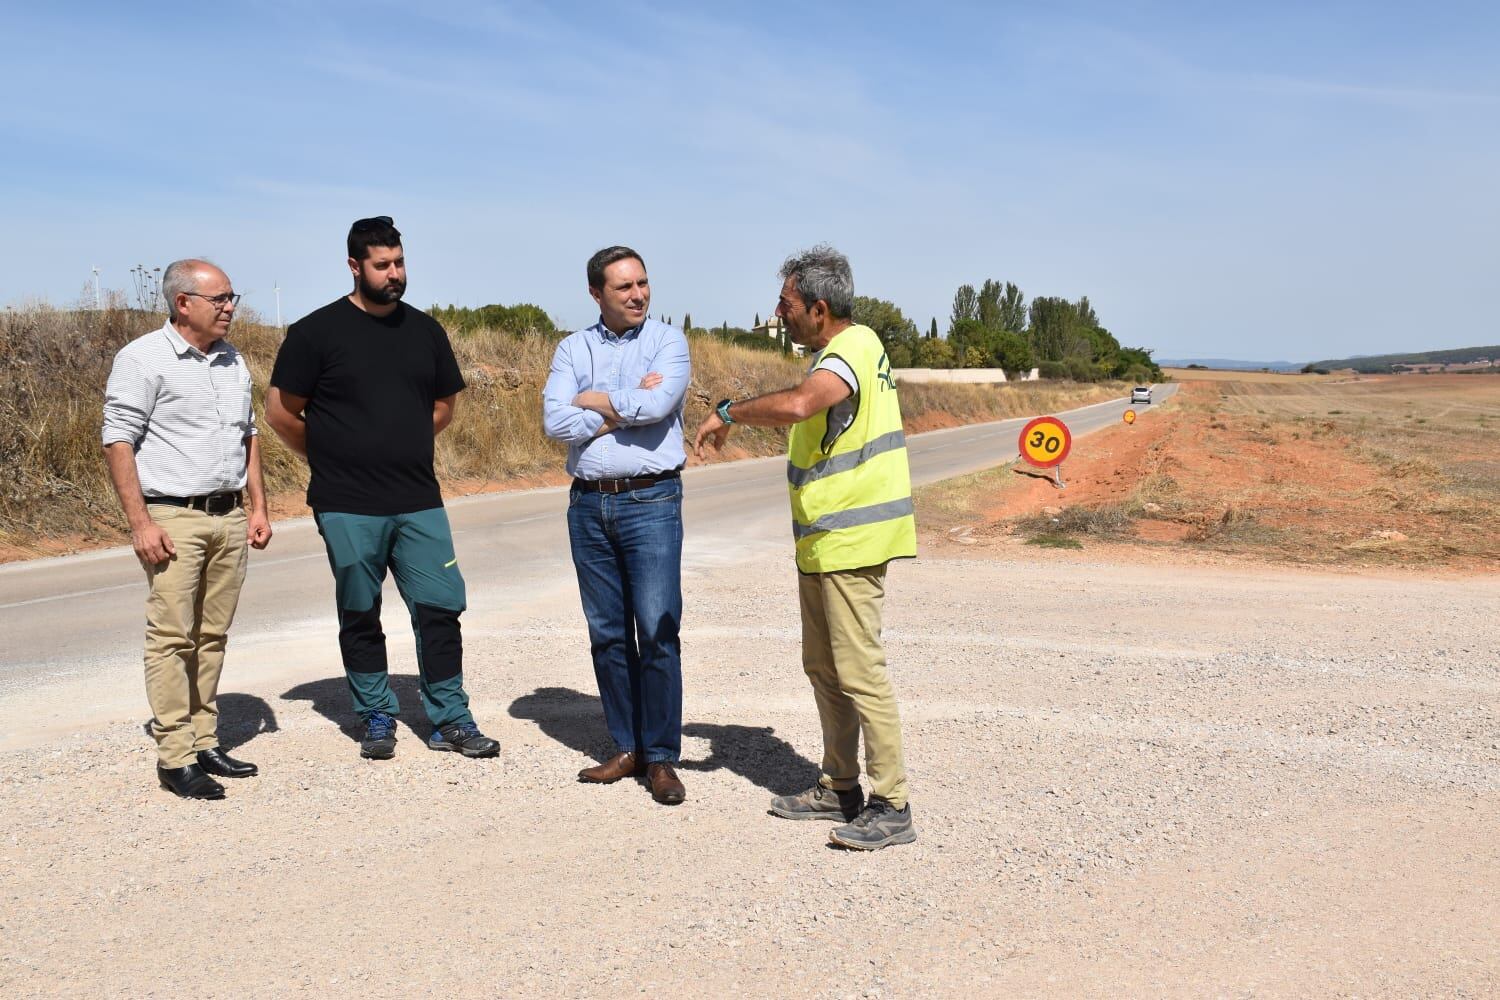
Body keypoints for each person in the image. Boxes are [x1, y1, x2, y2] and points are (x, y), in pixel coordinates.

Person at [693, 245, 918, 849]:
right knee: (824, 667)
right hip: (824, 541)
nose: (779, 313)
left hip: (854, 539)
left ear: (819, 309)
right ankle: (840, 785)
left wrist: (728, 412)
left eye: (786, 303)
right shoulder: (838, 353)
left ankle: (892, 803)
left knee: (860, 671)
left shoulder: (852, 348)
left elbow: (798, 405)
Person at [265, 216, 498, 761]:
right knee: (360, 610)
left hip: (418, 499)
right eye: (382, 265)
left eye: (399, 262)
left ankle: (451, 718)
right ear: (354, 266)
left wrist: (402, 442)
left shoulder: (426, 332)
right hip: (346, 503)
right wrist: (330, 455)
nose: (394, 274)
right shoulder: (315, 333)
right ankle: (375, 713)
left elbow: (443, 406)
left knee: (440, 608)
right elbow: (281, 413)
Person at [102, 259, 273, 800]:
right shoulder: (142, 358)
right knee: (172, 637)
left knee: (212, 635)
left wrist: (259, 507)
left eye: (231, 297)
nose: (230, 308)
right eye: (219, 298)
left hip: (229, 516)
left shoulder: (232, 359)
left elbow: (249, 435)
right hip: (172, 517)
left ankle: (204, 740)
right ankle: (175, 756)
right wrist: (140, 523)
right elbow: (118, 439)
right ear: (183, 303)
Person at [542, 246, 690, 805]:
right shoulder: (572, 348)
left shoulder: (669, 342)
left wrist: (593, 401)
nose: (638, 295)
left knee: (656, 631)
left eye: (643, 283)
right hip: (588, 505)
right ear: (596, 293)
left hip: (651, 500)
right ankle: (627, 748)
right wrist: (619, 409)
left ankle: (661, 756)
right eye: (624, 286)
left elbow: (660, 405)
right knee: (606, 633)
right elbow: (554, 420)